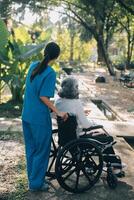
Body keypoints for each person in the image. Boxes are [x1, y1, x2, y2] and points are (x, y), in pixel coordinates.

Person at [55, 77, 125, 175]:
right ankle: (115, 167)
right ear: (74, 88)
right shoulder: (76, 102)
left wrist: (80, 113)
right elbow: (86, 125)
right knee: (106, 138)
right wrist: (94, 124)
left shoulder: (58, 102)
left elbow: (68, 114)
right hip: (78, 138)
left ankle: (88, 165)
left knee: (98, 134)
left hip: (65, 138)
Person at [22, 42, 68, 192]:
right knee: (42, 151)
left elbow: (34, 92)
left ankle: (33, 180)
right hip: (39, 119)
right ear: (56, 56)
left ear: (44, 52)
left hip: (27, 115)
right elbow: (43, 97)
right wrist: (58, 111)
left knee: (31, 149)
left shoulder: (32, 66)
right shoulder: (50, 72)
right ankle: (36, 184)